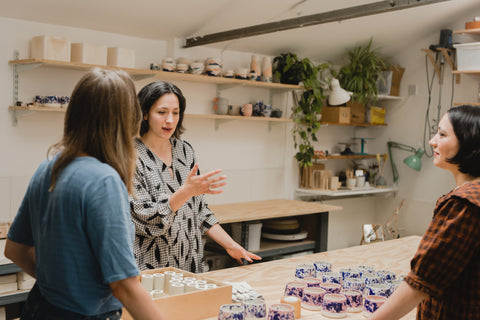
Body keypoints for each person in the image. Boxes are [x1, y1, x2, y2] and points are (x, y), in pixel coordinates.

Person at [5, 69, 166, 320]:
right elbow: (123, 285)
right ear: (127, 120)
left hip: (40, 308)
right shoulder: (103, 181)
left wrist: (60, 285)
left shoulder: (48, 167)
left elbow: (14, 249)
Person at [130, 81, 261, 272]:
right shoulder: (129, 156)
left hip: (191, 264)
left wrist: (231, 245)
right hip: (153, 270)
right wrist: (185, 192)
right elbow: (147, 221)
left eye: (175, 113)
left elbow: (199, 212)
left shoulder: (184, 151)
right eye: (162, 112)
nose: (170, 120)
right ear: (145, 113)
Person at [370, 104, 480, 320]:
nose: (432, 141)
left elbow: (421, 283)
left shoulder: (464, 205)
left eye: (442, 134)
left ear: (468, 142)